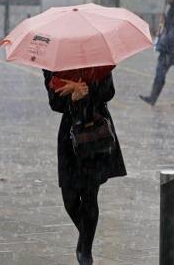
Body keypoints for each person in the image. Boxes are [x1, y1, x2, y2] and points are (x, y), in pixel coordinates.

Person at [43, 66, 127, 265]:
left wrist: (85, 89)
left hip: (96, 128)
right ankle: (87, 235)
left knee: (90, 194)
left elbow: (109, 91)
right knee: (70, 199)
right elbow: (54, 102)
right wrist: (72, 95)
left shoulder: (96, 54)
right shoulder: (53, 62)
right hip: (70, 133)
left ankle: (85, 252)